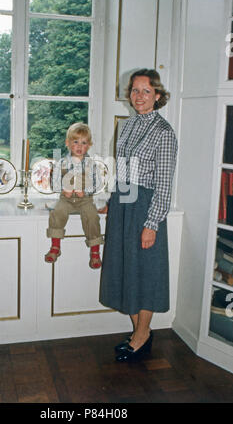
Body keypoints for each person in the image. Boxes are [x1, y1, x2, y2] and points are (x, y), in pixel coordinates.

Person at [99, 69, 178, 362]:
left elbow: (164, 184)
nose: (139, 96)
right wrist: (113, 199)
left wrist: (152, 224)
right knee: (125, 270)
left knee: (145, 274)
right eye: (134, 90)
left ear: (157, 95)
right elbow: (123, 171)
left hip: (146, 208)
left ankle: (143, 334)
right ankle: (139, 332)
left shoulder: (164, 132)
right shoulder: (128, 126)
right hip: (124, 203)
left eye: (146, 91)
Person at [45, 122, 104, 269]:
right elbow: (54, 182)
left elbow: (98, 184)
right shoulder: (61, 163)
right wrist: (63, 189)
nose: (79, 146)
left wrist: (86, 191)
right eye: (75, 142)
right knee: (57, 213)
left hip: (85, 200)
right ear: (68, 143)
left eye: (83, 143)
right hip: (67, 199)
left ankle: (95, 251)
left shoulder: (91, 164)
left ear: (89, 145)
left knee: (92, 216)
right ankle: (55, 246)